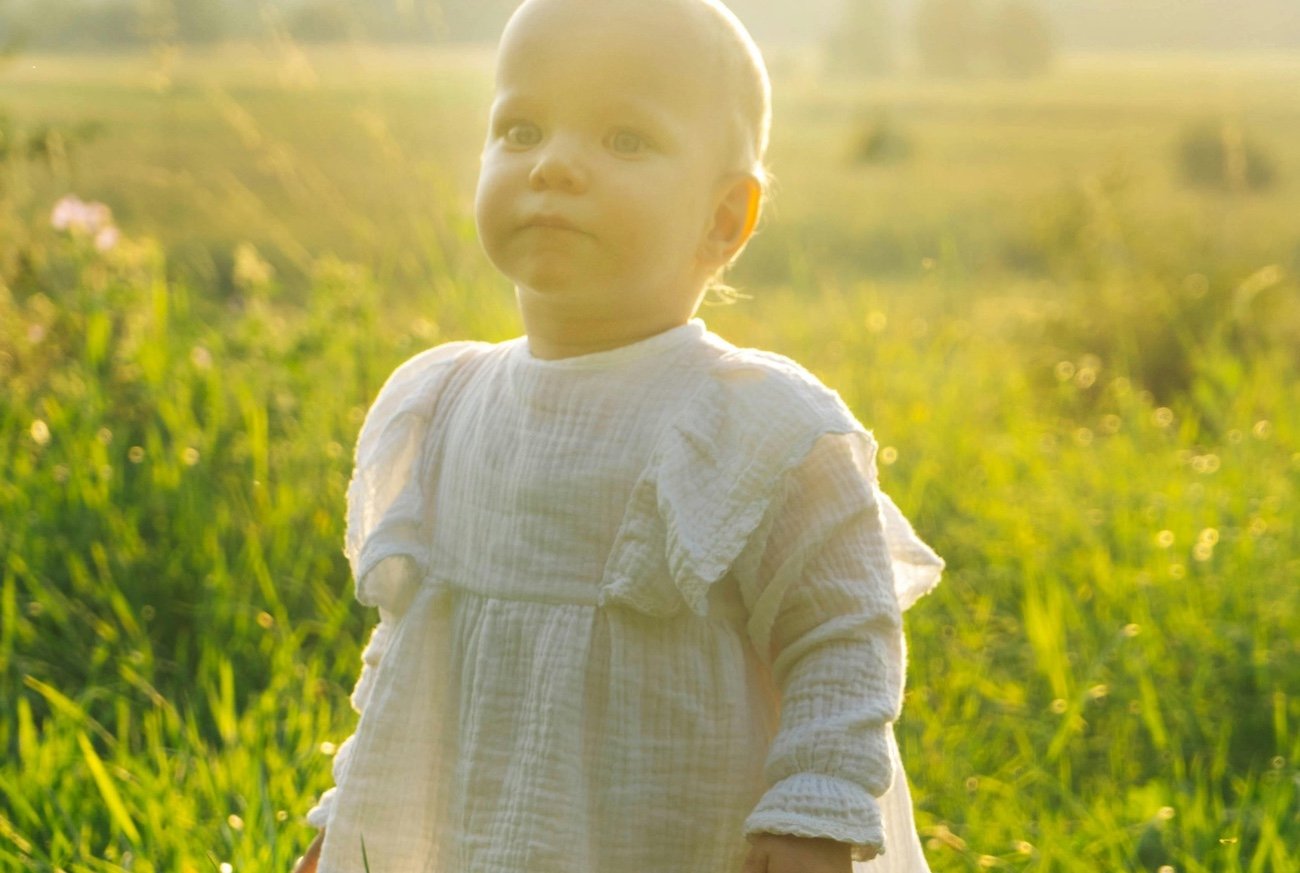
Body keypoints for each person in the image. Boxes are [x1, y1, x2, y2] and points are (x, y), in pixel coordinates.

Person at [295, 0, 944, 870]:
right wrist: (351, 820)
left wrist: (813, 810)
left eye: (625, 139)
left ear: (724, 218)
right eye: (521, 129)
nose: (554, 164)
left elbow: (843, 637)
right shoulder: (444, 405)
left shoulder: (757, 429)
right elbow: (413, 653)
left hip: (688, 839)